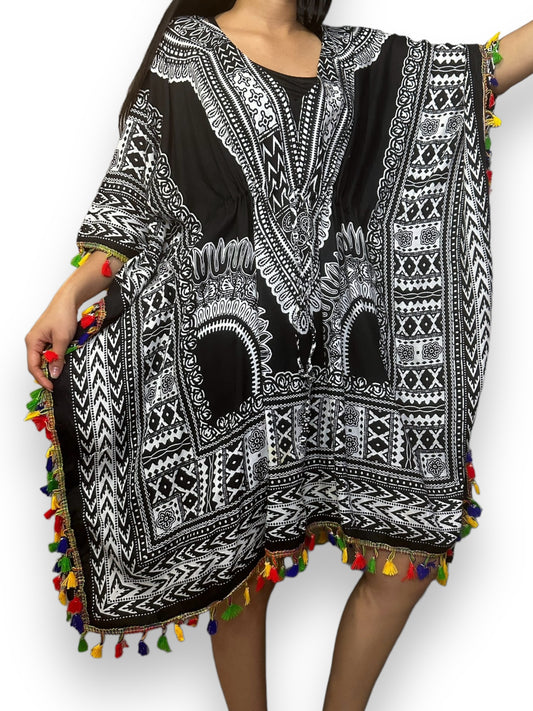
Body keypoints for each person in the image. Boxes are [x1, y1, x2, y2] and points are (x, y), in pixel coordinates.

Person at [24, 1, 533, 709]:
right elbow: (136, 203)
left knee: (410, 555)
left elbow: (480, 71)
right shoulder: (189, 52)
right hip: (230, 363)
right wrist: (69, 294)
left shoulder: (361, 62)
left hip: (344, 367)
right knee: (245, 571)